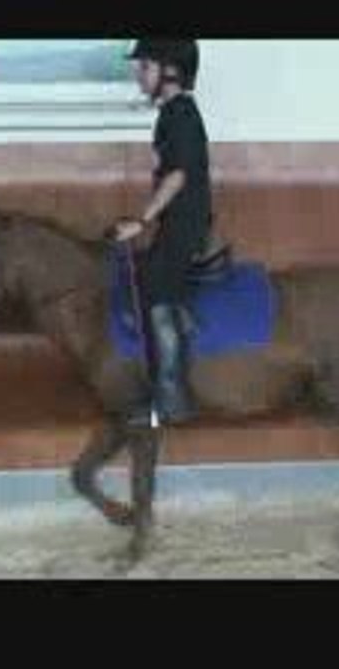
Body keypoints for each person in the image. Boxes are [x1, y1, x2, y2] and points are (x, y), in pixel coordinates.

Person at [112, 39, 212, 428]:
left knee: (156, 291)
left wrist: (142, 220)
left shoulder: (181, 114)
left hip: (184, 227)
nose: (139, 75)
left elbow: (178, 175)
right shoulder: (171, 114)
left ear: (169, 71)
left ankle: (171, 398)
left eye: (145, 67)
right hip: (177, 223)